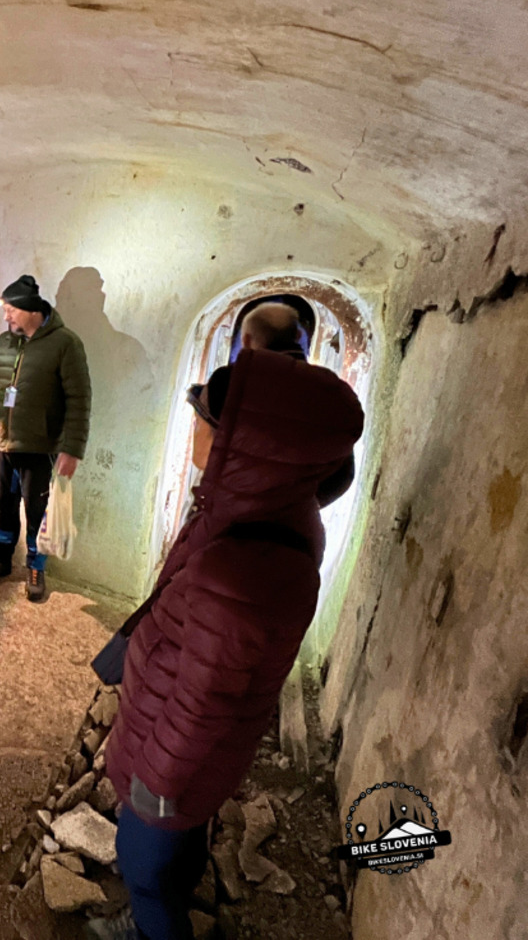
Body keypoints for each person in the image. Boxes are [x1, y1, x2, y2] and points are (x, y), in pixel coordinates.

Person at [93, 348, 363, 940]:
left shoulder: (240, 574)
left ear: (244, 446)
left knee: (144, 870)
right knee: (179, 851)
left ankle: (152, 927)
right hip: (195, 762)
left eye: (204, 418)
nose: (193, 425)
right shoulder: (262, 516)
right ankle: (167, 901)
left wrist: (154, 787)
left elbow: (203, 707)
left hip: (171, 765)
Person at [0, 274, 90, 602]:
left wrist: (72, 449)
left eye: (11, 310)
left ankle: (35, 566)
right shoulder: (4, 342)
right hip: (2, 442)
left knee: (36, 511)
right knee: (4, 506)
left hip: (40, 447)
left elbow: (78, 400)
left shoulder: (65, 344)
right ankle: (1, 559)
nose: (6, 316)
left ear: (31, 309)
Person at [240, 301, 355, 508]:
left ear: (246, 340)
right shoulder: (331, 387)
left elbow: (206, 456)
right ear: (299, 335)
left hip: (246, 505)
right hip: (308, 506)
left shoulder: (232, 387)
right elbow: (343, 472)